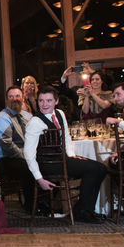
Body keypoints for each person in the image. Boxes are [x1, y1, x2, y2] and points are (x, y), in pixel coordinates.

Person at [23, 86, 107, 223]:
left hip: (62, 159)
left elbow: (66, 136)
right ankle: (84, 212)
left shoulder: (60, 114)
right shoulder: (35, 122)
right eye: (41, 101)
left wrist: (71, 155)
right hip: (47, 164)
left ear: (56, 101)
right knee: (93, 169)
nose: (44, 105)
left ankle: (83, 209)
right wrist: (39, 179)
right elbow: (28, 154)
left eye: (49, 101)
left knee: (102, 169)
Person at [0, 86, 37, 212]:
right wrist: (26, 156)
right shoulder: (1, 118)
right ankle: (31, 206)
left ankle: (44, 203)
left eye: (17, 96)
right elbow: (7, 146)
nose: (14, 99)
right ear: (6, 100)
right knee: (29, 168)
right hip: (8, 159)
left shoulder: (27, 116)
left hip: (26, 156)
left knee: (48, 163)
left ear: (22, 99)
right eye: (11, 97)